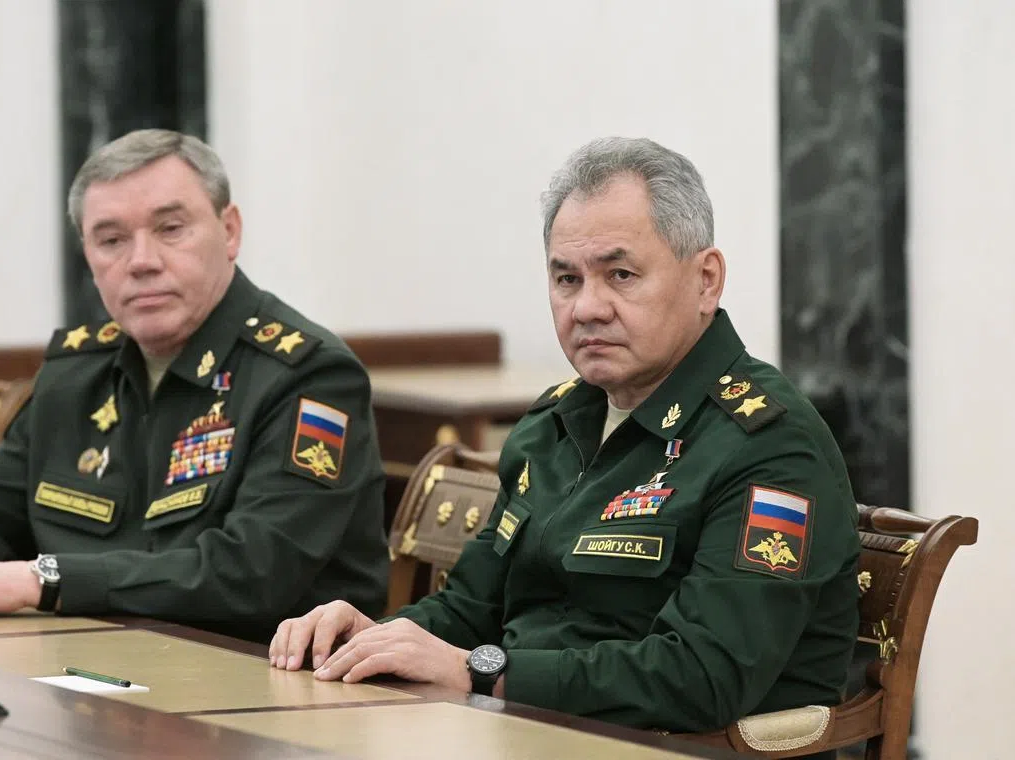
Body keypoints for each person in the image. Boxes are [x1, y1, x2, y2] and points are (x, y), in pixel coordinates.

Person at [269, 137, 860, 737]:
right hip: (519, 732)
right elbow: (471, 608)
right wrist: (372, 638)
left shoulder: (768, 443)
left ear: (706, 280)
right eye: (566, 278)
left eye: (621, 274)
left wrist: (481, 674)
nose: (587, 308)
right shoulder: (554, 425)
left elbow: (700, 677)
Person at [0, 129, 389, 643]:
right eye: (112, 240)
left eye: (170, 229)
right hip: (88, 665)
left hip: (261, 678)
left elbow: (252, 572)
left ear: (229, 231)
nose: (141, 261)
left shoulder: (307, 375)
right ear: (88, 255)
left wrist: (44, 581)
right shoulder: (78, 372)